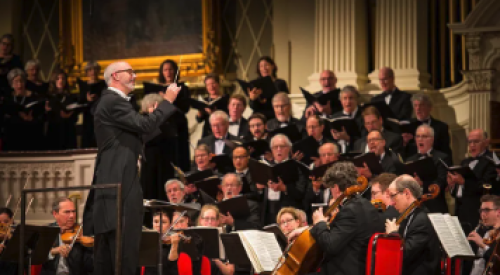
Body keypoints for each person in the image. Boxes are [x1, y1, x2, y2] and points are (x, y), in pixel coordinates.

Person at [82, 61, 181, 275]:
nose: (135, 75)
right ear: (116, 76)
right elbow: (143, 126)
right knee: (121, 249)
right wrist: (167, 101)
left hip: (116, 179)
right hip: (118, 181)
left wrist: (157, 118)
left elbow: (139, 135)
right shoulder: (112, 100)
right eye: (130, 72)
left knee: (116, 250)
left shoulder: (113, 103)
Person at [289, 161, 385, 275]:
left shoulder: (350, 210)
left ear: (335, 188)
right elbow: (340, 232)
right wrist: (307, 229)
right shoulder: (366, 205)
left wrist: (320, 223)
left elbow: (330, 245)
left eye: (330, 188)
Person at [385, 175, 441, 275]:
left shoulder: (421, 220)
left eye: (393, 196)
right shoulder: (409, 215)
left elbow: (404, 254)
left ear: (407, 193)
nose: (392, 203)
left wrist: (393, 234)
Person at [449, 129, 498, 234]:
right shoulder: (464, 162)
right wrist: (453, 185)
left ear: (486, 142)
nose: (472, 145)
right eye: (470, 142)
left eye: (476, 141)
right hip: (460, 214)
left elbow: (487, 188)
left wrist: (464, 183)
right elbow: (457, 194)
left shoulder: (491, 162)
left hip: (477, 214)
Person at [259, 134, 308, 225]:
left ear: (289, 148)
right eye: (275, 147)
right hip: (268, 211)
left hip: (288, 213)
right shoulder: (266, 167)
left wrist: (285, 188)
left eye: (282, 146)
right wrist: (259, 187)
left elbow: (301, 193)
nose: (278, 149)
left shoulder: (298, 167)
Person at [40, 198, 93, 275]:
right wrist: (53, 251)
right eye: (67, 212)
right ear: (55, 214)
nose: (72, 216)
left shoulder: (82, 232)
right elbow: (36, 257)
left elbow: (90, 265)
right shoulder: (47, 231)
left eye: (73, 211)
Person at [406, 124, 451, 213]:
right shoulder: (409, 160)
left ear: (432, 139)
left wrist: (423, 184)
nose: (420, 139)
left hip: (435, 206)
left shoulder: (441, 157)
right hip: (415, 207)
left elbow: (442, 181)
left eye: (424, 136)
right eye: (418, 136)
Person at [2, 68, 44, 151]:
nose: (19, 85)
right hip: (12, 135)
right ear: (11, 84)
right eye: (16, 82)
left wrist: (31, 119)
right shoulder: (8, 98)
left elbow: (41, 117)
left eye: (21, 81)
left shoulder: (34, 97)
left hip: (30, 135)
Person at [401, 94, 452, 159]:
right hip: (413, 162)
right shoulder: (408, 125)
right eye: (415, 105)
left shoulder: (441, 127)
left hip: (434, 163)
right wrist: (404, 143)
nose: (418, 108)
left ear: (430, 108)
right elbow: (404, 152)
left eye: (421, 105)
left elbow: (445, 151)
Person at [303, 142, 340, 222]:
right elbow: (306, 204)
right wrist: (316, 189)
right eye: (323, 155)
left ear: (337, 156)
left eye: (329, 154)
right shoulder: (316, 174)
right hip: (320, 219)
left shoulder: (342, 173)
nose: (327, 158)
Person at [45, 69, 78, 150]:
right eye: (58, 78)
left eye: (63, 78)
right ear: (54, 80)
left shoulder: (71, 97)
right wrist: (47, 111)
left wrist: (69, 115)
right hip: (54, 131)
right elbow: (45, 117)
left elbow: (75, 116)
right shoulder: (49, 97)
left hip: (68, 130)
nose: (61, 81)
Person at [196, 205, 235, 275]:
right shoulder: (194, 239)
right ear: (201, 220)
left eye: (213, 219)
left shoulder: (226, 242)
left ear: (217, 221)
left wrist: (216, 260)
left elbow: (229, 272)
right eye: (206, 219)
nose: (210, 222)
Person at [467, 195, 500, 275]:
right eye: (481, 211)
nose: (483, 215)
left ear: (498, 212)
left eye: (487, 210)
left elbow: (497, 262)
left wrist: (482, 244)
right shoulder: (486, 232)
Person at [79, 61, 107, 149]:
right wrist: (87, 99)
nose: (93, 72)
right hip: (88, 117)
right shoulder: (83, 86)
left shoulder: (104, 84)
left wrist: (99, 99)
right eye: (90, 70)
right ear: (87, 72)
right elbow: (80, 101)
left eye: (95, 69)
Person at [330, 85, 364, 153]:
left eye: (351, 98)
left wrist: (348, 139)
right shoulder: (334, 117)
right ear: (341, 101)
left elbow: (364, 139)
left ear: (356, 100)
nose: (348, 102)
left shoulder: (363, 116)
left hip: (357, 151)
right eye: (345, 98)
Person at [196, 73, 229, 138]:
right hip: (207, 132)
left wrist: (213, 113)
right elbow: (199, 120)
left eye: (213, 83)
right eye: (208, 85)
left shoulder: (226, 99)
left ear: (218, 84)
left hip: (222, 131)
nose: (211, 86)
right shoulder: (204, 100)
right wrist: (200, 112)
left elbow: (229, 117)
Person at [0, 207, 17, 275]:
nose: (3, 225)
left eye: (6, 222)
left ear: (11, 221)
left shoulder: (16, 237)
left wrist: (10, 238)